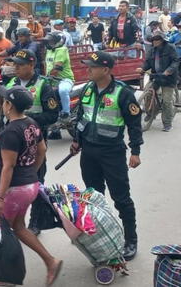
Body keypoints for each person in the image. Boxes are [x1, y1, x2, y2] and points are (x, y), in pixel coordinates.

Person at [71, 51, 143, 261]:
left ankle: (130, 239)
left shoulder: (123, 93)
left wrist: (136, 151)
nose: (88, 69)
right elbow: (81, 117)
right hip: (89, 152)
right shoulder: (87, 89)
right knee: (93, 196)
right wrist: (77, 140)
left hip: (112, 153)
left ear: (105, 70)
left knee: (121, 198)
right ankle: (101, 234)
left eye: (92, 67)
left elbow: (134, 124)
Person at [0, 85, 62, 286]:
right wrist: (31, 173)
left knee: (2, 230)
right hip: (29, 186)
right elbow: (42, 149)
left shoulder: (10, 132)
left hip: (14, 190)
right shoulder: (31, 123)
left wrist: (1, 197)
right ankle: (50, 261)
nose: (3, 103)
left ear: (9, 105)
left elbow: (8, 167)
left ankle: (4, 278)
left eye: (4, 101)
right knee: (19, 227)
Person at [5, 50, 59, 235]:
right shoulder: (12, 83)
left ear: (32, 65)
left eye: (20, 64)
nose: (16, 68)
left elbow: (52, 115)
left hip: (34, 142)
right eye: (15, 64)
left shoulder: (44, 85)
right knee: (13, 183)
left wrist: (25, 121)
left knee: (35, 181)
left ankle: (36, 222)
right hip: (13, 144)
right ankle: (14, 220)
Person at [137, 32, 179, 131]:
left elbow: (176, 61)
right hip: (156, 76)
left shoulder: (170, 48)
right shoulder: (151, 51)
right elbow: (147, 63)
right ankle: (150, 113)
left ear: (162, 40)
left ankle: (167, 123)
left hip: (168, 78)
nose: (155, 42)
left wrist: (169, 70)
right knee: (147, 94)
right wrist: (142, 69)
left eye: (157, 39)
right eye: (154, 40)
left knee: (167, 101)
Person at [45, 32, 74, 121]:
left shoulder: (62, 50)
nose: (49, 43)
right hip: (51, 79)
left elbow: (57, 68)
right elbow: (47, 66)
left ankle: (66, 113)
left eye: (51, 41)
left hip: (64, 79)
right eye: (49, 41)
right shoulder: (49, 50)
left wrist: (48, 78)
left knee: (63, 90)